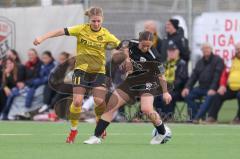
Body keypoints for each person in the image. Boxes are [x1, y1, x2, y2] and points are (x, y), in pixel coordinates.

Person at [33, 6, 120, 143]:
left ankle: (99, 123)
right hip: (81, 70)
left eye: (98, 21)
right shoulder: (81, 29)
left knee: (99, 101)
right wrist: (42, 37)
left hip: (98, 72)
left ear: (102, 20)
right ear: (89, 20)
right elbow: (59, 31)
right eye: (93, 21)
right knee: (78, 101)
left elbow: (120, 45)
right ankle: (73, 130)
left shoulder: (106, 34)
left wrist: (128, 50)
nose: (96, 24)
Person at [84, 31, 172, 145]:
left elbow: (161, 75)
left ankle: (162, 132)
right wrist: (127, 58)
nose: (145, 48)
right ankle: (95, 137)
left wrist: (165, 92)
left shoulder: (154, 55)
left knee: (146, 109)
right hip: (131, 81)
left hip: (148, 81)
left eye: (148, 46)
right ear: (139, 41)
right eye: (143, 45)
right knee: (111, 105)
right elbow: (121, 47)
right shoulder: (131, 43)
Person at [181, 43, 224, 123]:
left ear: (211, 49)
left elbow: (217, 77)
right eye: (203, 49)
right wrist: (187, 87)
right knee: (188, 95)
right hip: (201, 87)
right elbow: (193, 76)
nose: (205, 50)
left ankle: (197, 118)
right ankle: (193, 117)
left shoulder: (218, 60)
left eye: (207, 48)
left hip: (212, 88)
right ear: (201, 51)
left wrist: (213, 88)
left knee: (209, 96)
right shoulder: (200, 62)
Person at [206, 43, 240, 124]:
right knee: (218, 96)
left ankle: (238, 118)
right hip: (231, 87)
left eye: (239, 49)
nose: (238, 51)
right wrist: (222, 85)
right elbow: (224, 75)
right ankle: (212, 117)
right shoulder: (232, 60)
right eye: (237, 49)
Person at [154, 42, 188, 121]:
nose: (171, 53)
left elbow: (181, 79)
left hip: (177, 90)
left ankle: (168, 116)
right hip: (163, 88)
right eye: (170, 51)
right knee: (155, 96)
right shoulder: (164, 63)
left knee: (167, 96)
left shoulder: (182, 63)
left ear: (178, 52)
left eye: (173, 51)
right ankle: (161, 116)